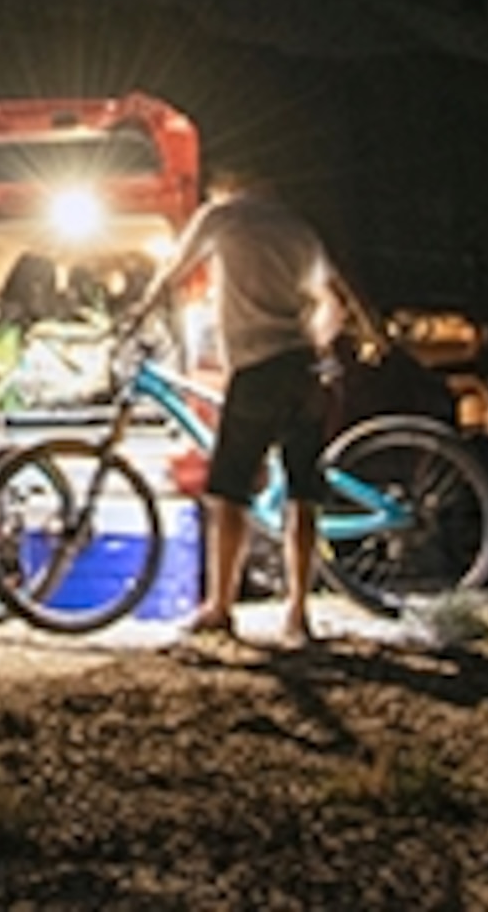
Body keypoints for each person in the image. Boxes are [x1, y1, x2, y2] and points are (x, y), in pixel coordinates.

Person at [129, 170, 342, 647]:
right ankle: (297, 615)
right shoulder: (298, 230)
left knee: (230, 491)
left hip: (257, 369)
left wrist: (138, 313)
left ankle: (219, 607)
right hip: (302, 367)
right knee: (303, 492)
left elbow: (175, 271)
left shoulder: (223, 216)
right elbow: (330, 303)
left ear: (231, 183)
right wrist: (319, 350)